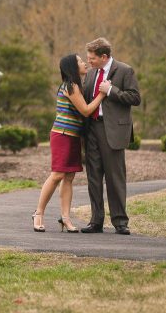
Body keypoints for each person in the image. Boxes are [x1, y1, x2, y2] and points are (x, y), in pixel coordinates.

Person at [32, 54, 110, 233]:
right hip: (63, 135)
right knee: (57, 175)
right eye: (81, 61)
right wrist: (102, 93)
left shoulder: (77, 86)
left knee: (68, 177)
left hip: (73, 136)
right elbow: (86, 111)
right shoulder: (71, 86)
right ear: (73, 68)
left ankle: (65, 218)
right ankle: (38, 213)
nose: (85, 63)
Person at [81, 37, 141, 235]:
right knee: (94, 177)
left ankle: (120, 222)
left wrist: (112, 90)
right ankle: (96, 221)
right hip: (92, 131)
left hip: (113, 131)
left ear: (104, 56)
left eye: (92, 58)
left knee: (115, 178)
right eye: (88, 58)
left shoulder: (125, 70)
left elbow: (135, 98)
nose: (89, 61)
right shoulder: (90, 75)